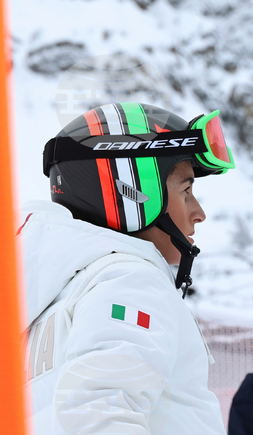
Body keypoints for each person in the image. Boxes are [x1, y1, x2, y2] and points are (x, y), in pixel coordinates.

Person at [20, 102, 235, 434]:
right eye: (186, 191)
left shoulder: (49, 304)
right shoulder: (131, 281)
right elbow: (99, 415)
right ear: (133, 193)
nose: (199, 213)